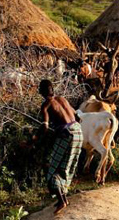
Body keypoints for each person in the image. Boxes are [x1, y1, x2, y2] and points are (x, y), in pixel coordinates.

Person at [38, 79, 83, 215]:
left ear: (41, 91)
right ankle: (63, 199)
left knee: (53, 169)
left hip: (66, 135)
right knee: (66, 167)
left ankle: (62, 201)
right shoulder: (63, 99)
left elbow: (44, 128)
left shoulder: (46, 105)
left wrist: (34, 141)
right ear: (53, 89)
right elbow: (78, 116)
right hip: (78, 131)